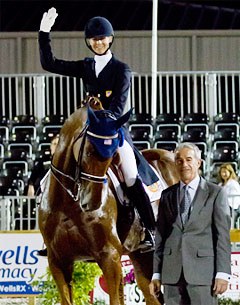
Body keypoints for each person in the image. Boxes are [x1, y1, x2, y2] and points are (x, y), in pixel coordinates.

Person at [38, 7, 157, 250]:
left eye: (102, 38)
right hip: (90, 132)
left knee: (131, 175)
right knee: (57, 172)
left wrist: (101, 111)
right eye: (94, 39)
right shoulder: (86, 66)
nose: (99, 42)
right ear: (89, 42)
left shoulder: (122, 70)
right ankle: (51, 231)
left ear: (110, 39)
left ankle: (150, 229)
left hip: (114, 131)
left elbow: (119, 105)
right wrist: (43, 32)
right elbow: (49, 64)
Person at [149, 142, 231, 305]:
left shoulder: (216, 193)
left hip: (203, 275)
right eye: (179, 160)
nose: (184, 164)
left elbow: (222, 237)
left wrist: (222, 273)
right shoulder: (166, 195)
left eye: (188, 159)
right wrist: (156, 274)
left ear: (198, 163)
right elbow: (160, 237)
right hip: (171, 275)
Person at [218, 163, 240, 228]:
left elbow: (235, 198)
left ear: (230, 172)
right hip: (221, 206)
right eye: (222, 172)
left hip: (231, 208)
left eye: (225, 172)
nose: (223, 174)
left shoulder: (233, 183)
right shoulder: (220, 184)